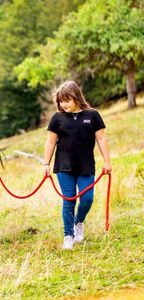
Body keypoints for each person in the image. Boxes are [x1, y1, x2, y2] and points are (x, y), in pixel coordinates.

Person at [43, 80, 112, 250]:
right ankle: (68, 236)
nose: (63, 104)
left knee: (87, 199)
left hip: (85, 166)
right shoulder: (57, 118)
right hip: (64, 166)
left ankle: (78, 221)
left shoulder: (93, 115)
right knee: (68, 201)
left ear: (76, 98)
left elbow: (101, 138)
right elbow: (50, 142)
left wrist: (107, 161)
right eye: (61, 101)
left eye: (67, 100)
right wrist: (46, 163)